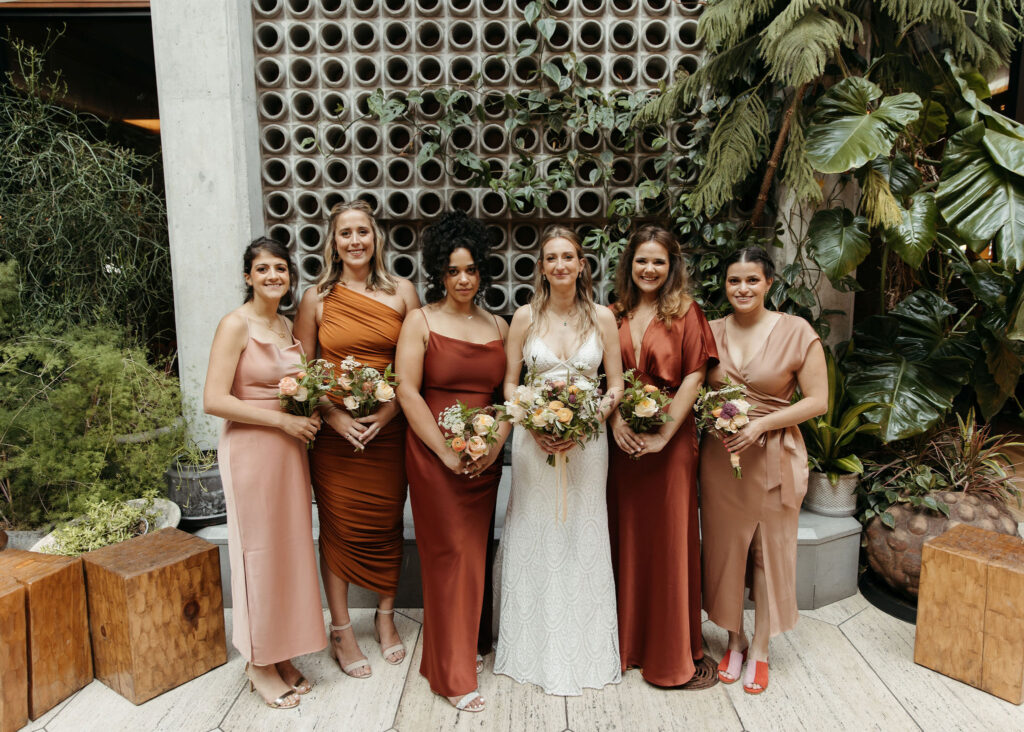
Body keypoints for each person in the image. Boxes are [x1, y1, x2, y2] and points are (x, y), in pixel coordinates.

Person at [493, 226, 624, 696]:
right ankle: (532, 643)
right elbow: (510, 384)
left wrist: (589, 419)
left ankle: (585, 640)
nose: (561, 265)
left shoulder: (604, 318)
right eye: (552, 258)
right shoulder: (525, 317)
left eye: (569, 256)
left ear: (582, 263)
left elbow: (616, 385)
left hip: (589, 443)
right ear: (542, 267)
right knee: (537, 528)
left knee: (582, 530)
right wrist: (533, 422)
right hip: (534, 443)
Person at [294, 201, 420, 679]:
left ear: (376, 238)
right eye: (345, 233)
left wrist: (387, 415)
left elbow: (415, 368)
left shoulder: (403, 293)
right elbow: (304, 370)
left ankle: (386, 620)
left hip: (387, 433)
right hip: (335, 438)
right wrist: (331, 415)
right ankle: (342, 630)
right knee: (338, 529)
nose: (354, 241)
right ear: (333, 242)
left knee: (388, 523)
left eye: (362, 232)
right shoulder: (317, 298)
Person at [203, 237, 325, 709]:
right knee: (257, 554)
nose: (273, 276)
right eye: (263, 269)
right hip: (252, 451)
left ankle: (281, 651)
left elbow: (297, 386)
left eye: (281, 268)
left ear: (289, 277)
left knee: (290, 551)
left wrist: (309, 412)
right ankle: (256, 662)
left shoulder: (286, 325)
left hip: (290, 452)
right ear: (247, 276)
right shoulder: (235, 325)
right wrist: (282, 419)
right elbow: (214, 399)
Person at [699, 247, 827, 695]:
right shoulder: (709, 331)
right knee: (725, 548)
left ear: (769, 283)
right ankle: (734, 640)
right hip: (722, 458)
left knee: (768, 553)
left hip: (774, 454)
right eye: (735, 281)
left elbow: (817, 400)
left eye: (752, 280)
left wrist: (763, 425)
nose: (743, 289)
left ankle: (762, 651)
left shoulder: (796, 331)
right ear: (725, 285)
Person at [396, 211, 510, 712]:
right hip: (433, 457)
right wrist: (444, 451)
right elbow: (406, 390)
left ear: (482, 271)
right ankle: (452, 673)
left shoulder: (500, 326)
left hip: (482, 459)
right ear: (438, 273)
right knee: (449, 558)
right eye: (452, 270)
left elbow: (509, 396)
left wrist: (496, 446)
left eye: (471, 270)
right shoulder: (419, 321)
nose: (463, 280)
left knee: (475, 552)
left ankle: (463, 645)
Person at [607, 225, 717, 687]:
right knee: (624, 536)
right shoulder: (611, 314)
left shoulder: (687, 312)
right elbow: (600, 377)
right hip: (622, 444)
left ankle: (670, 651)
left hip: (670, 444)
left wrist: (666, 433)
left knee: (670, 540)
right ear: (628, 264)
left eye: (658, 261)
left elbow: (694, 375)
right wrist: (615, 424)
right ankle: (626, 643)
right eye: (642, 260)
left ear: (672, 266)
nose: (649, 269)